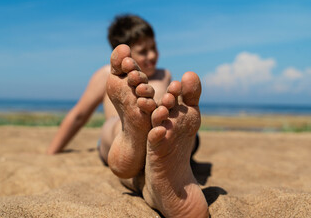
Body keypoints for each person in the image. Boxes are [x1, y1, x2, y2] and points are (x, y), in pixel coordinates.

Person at [47, 14, 209, 217]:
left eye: (154, 48)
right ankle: (132, 133)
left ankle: (152, 183)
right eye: (143, 51)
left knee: (174, 129)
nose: (151, 56)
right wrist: (52, 151)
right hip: (118, 141)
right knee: (115, 125)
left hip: (159, 139)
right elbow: (79, 115)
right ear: (125, 55)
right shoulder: (107, 74)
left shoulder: (163, 74)